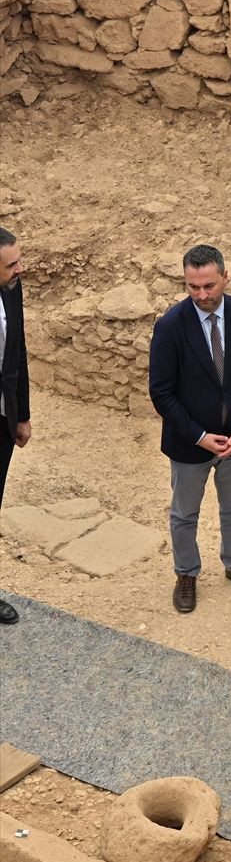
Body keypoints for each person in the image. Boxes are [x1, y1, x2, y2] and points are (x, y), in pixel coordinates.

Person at [149, 243, 231, 614]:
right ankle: (186, 573)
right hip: (190, 444)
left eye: (209, 286)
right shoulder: (171, 325)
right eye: (193, 287)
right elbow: (161, 391)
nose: (202, 295)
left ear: (225, 277)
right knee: (184, 514)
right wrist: (199, 436)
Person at [0, 227, 31, 626]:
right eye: (11, 264)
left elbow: (18, 352)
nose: (20, 269)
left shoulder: (12, 289)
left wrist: (21, 414)